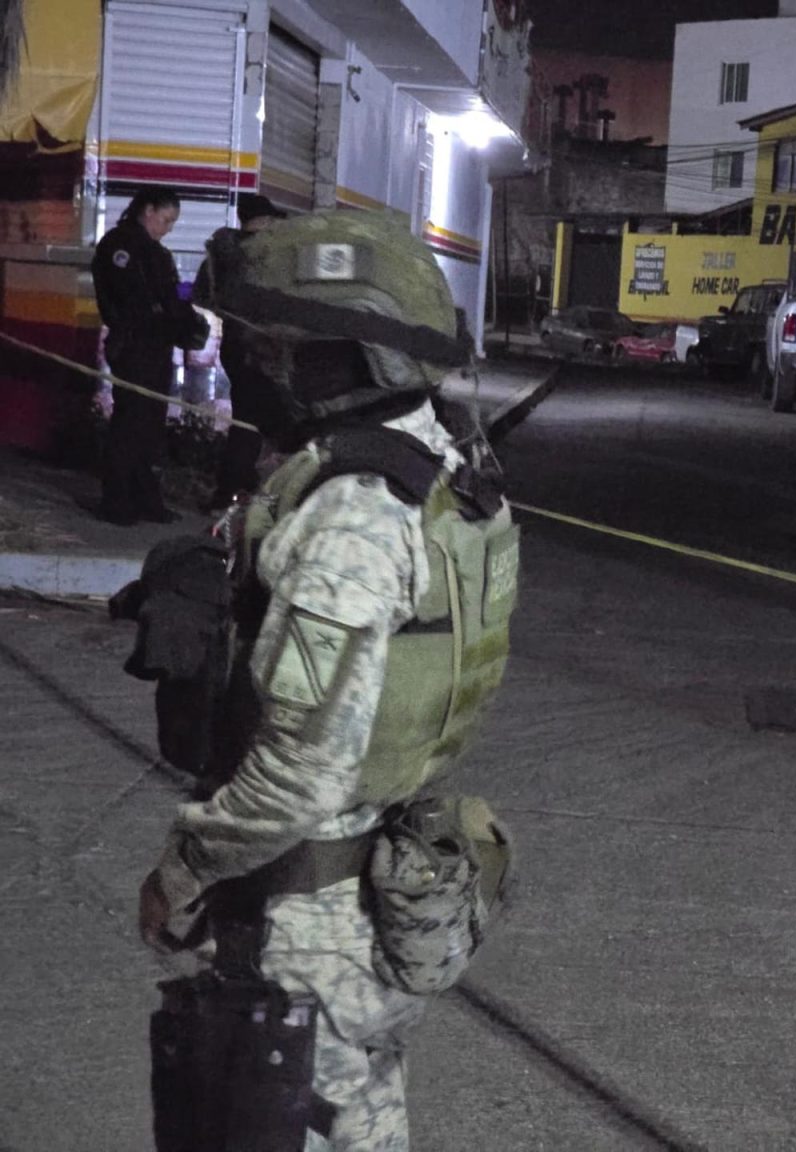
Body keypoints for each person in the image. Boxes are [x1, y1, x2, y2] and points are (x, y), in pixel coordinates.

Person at [136, 210, 519, 1151]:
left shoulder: (353, 517)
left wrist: (183, 872)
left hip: (307, 924)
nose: (251, 367)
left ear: (347, 360)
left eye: (272, 348)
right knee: (362, 1126)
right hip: (375, 884)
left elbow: (297, 774)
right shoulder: (438, 457)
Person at [91, 188, 205, 526]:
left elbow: (165, 300)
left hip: (155, 346)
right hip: (135, 345)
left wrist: (183, 320)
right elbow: (136, 303)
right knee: (131, 423)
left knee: (150, 424)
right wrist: (175, 319)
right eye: (167, 219)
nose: (168, 228)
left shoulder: (151, 251)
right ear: (148, 210)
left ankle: (144, 499)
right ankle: (117, 502)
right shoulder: (122, 247)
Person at [194, 193, 287, 510]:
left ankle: (241, 483)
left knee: (249, 418)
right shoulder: (263, 253)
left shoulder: (222, 253)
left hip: (235, 345)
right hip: (261, 347)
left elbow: (202, 296)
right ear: (260, 221)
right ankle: (231, 491)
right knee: (253, 422)